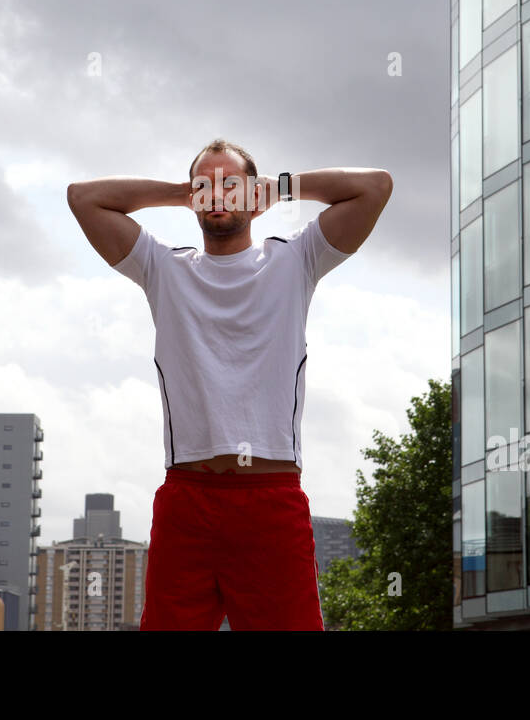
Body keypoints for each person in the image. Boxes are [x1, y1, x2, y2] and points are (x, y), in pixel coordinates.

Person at [66, 138, 392, 630]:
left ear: (253, 191)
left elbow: (374, 187)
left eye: (230, 183)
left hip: (270, 501)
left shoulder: (295, 260)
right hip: (187, 500)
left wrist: (281, 189)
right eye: (206, 184)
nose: (217, 192)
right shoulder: (164, 268)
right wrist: (181, 193)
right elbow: (82, 197)